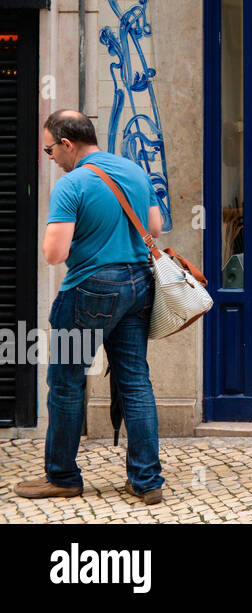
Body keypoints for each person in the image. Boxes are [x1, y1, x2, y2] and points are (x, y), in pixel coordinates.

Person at [14, 109, 165, 504]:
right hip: (138, 286)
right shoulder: (134, 171)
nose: (49, 157)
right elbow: (154, 229)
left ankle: (62, 476)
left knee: (65, 382)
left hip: (89, 290)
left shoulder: (72, 184)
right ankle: (147, 481)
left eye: (49, 150)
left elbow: (53, 253)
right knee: (134, 380)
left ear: (67, 144)